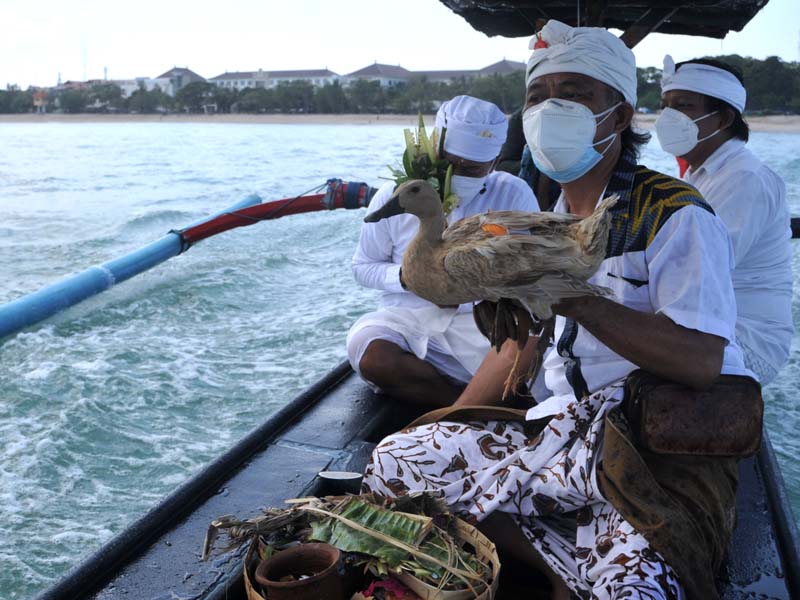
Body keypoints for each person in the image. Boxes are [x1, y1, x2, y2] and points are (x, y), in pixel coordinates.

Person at [362, 20, 754, 600]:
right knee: (396, 462)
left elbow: (700, 363)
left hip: (649, 453)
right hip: (560, 430)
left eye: (574, 94)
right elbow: (521, 344)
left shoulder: (674, 215)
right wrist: (450, 424)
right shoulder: (538, 213)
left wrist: (574, 298)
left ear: (618, 116)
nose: (550, 110)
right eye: (538, 97)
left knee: (636, 591)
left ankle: (591, 553)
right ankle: (557, 570)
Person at [347, 95, 538, 407]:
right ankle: (471, 411)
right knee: (375, 359)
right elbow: (363, 266)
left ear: (493, 163)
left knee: (527, 370)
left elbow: (531, 271)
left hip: (480, 323)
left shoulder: (512, 194)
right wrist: (408, 278)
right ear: (435, 150)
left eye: (472, 169)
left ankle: (463, 407)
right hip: (407, 316)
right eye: (450, 163)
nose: (457, 174)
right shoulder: (396, 198)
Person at [656, 56, 793, 385]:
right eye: (666, 105)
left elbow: (699, 269)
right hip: (711, 322)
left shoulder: (744, 178)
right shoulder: (699, 173)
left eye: (683, 105)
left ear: (723, 118)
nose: (668, 117)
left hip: (746, 340)